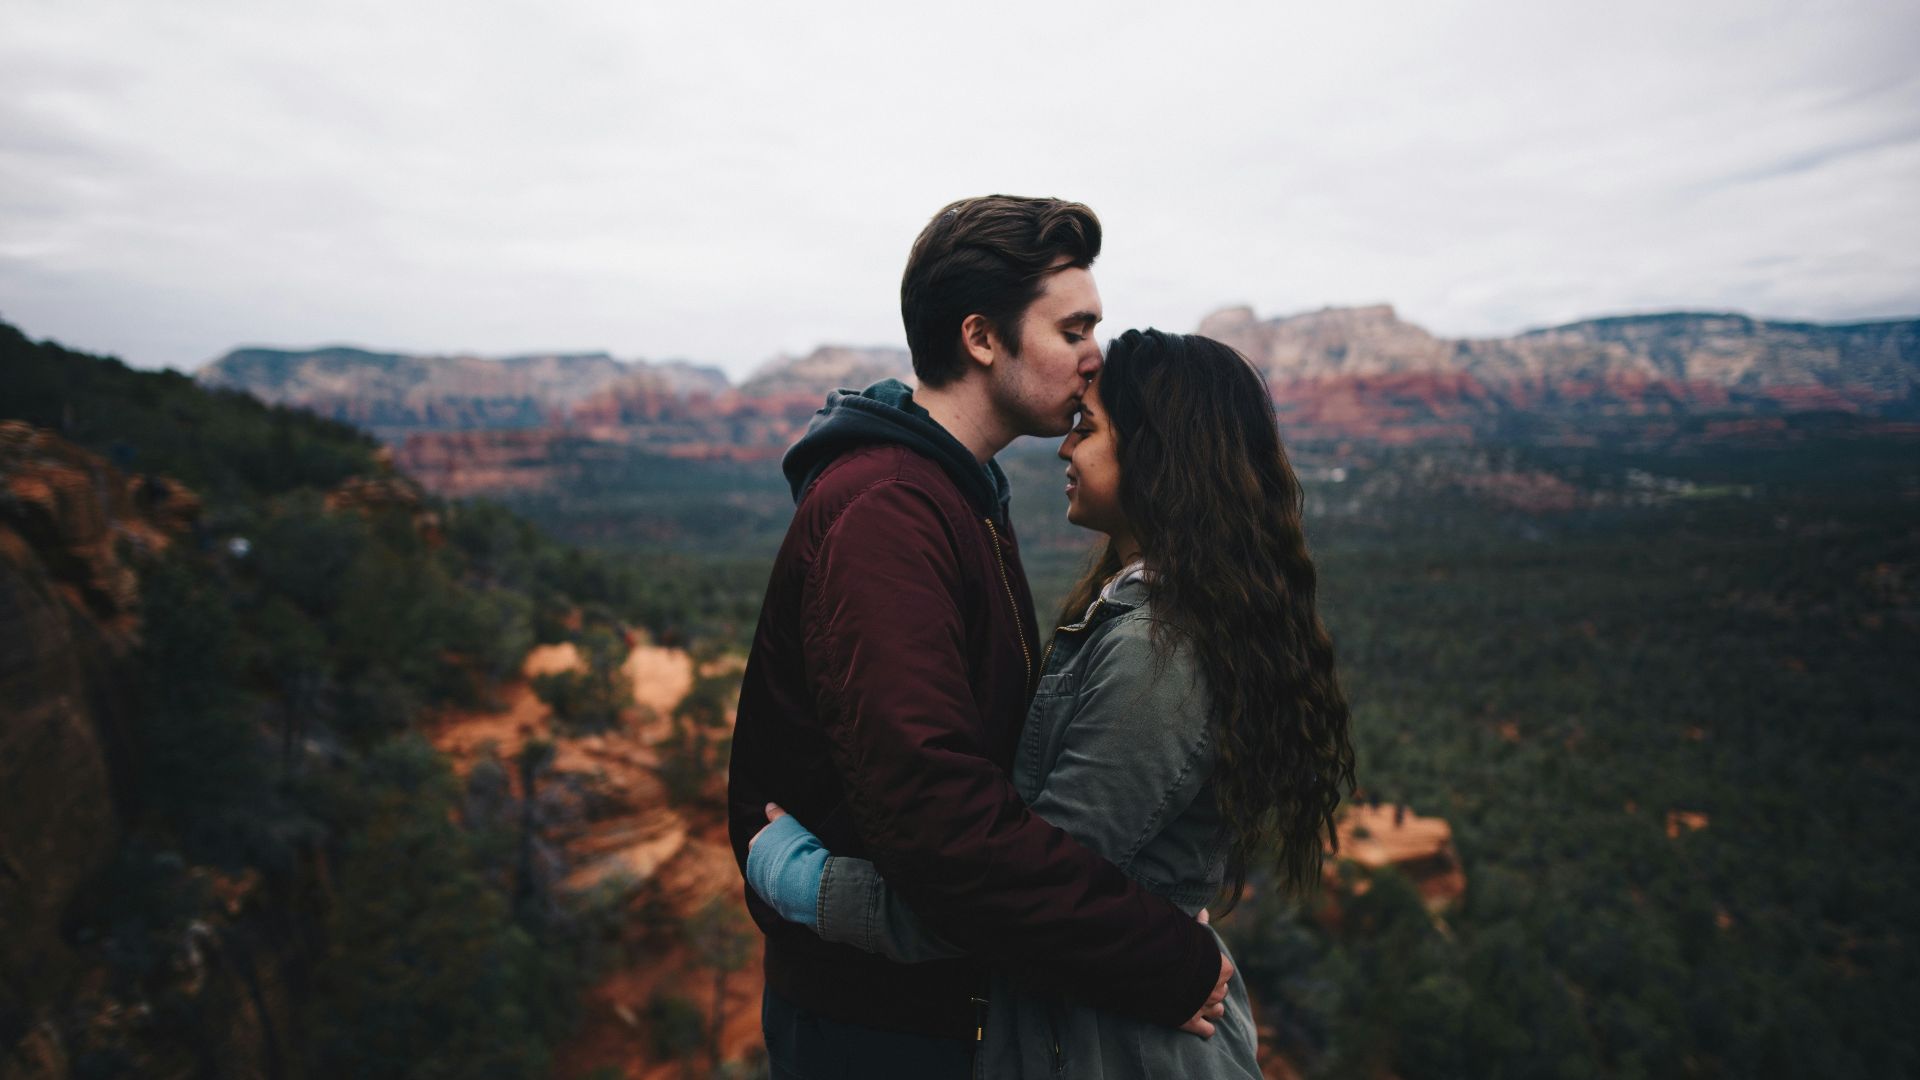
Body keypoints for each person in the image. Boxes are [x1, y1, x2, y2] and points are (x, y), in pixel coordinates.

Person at [747, 328, 1357, 1078]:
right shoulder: (1144, 616)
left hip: (1123, 1052)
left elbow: (1023, 897)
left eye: (1088, 429)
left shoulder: (1157, 654)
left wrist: (810, 885)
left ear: (1161, 455)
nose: (1065, 450)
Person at [726, 200, 1234, 1078]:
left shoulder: (958, 491)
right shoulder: (890, 509)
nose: (1093, 356)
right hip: (879, 1028)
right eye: (1072, 327)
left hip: (938, 1004)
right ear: (981, 337)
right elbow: (941, 820)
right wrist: (1168, 958)